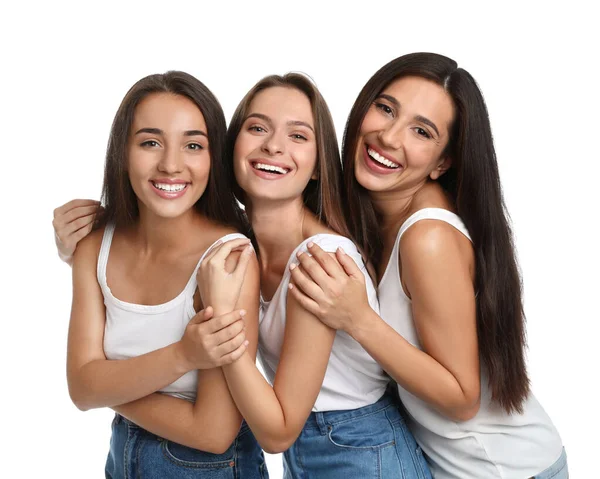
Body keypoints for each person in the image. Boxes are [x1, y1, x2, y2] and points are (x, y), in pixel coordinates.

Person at [287, 52, 567, 479]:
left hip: (504, 469)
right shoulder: (374, 218)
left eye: (421, 131)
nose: (389, 137)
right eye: (385, 109)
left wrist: (358, 318)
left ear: (442, 162)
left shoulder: (428, 238)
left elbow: (462, 398)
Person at [212, 73, 431, 478]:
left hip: (362, 452)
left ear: (317, 167)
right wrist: (90, 234)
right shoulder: (238, 241)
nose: (273, 145)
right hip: (313, 450)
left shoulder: (322, 259)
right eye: (257, 127)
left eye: (298, 136)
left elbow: (277, 432)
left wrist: (219, 333)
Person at [65, 71, 267, 478]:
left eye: (193, 145)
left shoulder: (227, 260)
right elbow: (80, 389)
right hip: (122, 459)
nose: (171, 165)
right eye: (150, 142)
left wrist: (104, 386)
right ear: (123, 151)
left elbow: (213, 431)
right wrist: (182, 356)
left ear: (214, 158)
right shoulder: (93, 250)